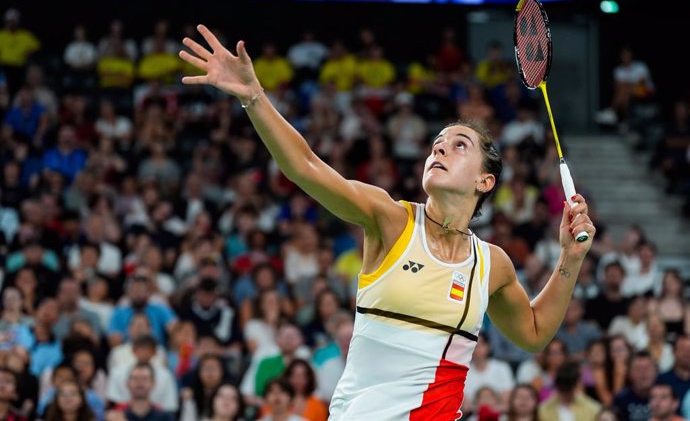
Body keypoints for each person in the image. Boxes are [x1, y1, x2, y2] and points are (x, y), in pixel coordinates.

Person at [179, 25, 596, 420]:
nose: (440, 151)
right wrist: (254, 96)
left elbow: (535, 333)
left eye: (458, 145)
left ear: (485, 181)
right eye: (436, 145)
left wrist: (570, 259)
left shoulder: (492, 265)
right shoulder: (390, 220)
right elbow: (304, 167)